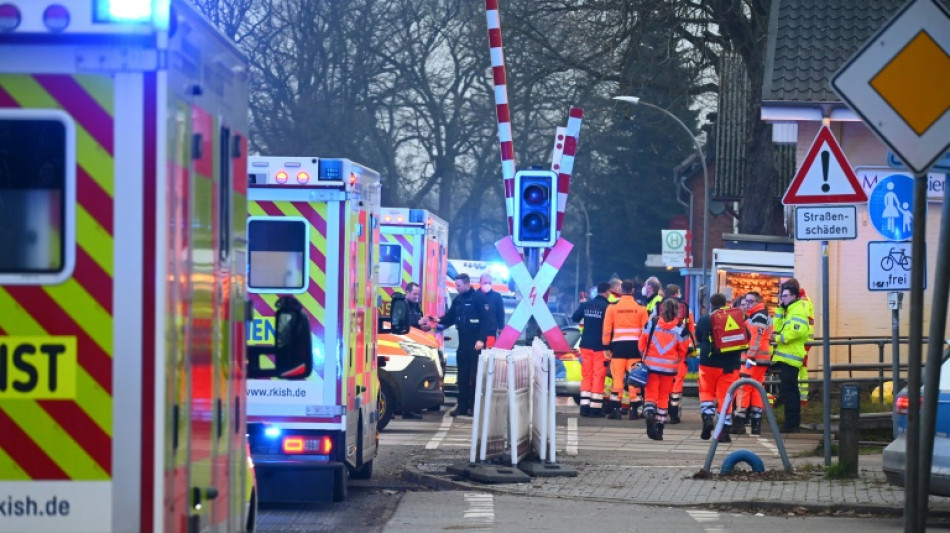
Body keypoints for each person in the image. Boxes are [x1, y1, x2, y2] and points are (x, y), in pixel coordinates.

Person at [436, 274, 490, 417]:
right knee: (462, 376)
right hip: (463, 343)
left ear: (467, 284)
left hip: (475, 344)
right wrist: (438, 321)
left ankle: (474, 406)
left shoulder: (478, 298)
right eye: (456, 285)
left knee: (474, 376)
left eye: (459, 285)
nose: (457, 288)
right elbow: (450, 317)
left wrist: (481, 340)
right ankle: (462, 406)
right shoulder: (458, 300)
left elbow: (486, 321)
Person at [639, 298, 691, 441]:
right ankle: (660, 428)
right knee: (663, 397)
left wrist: (644, 354)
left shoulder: (652, 323)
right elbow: (683, 350)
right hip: (669, 369)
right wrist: (677, 360)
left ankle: (649, 413)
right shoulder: (681, 328)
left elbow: (642, 342)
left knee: (650, 395)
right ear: (677, 310)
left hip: (651, 366)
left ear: (662, 309)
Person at [695, 293, 744, 442]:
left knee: (706, 392)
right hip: (730, 365)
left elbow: (698, 337)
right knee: (726, 397)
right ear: (726, 303)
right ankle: (724, 431)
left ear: (711, 305)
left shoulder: (704, 320)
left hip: (708, 364)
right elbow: (745, 336)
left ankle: (708, 417)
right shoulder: (736, 319)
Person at [601, 279, 649, 420]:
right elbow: (645, 331)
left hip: (618, 348)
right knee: (635, 379)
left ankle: (616, 410)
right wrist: (644, 349)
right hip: (635, 348)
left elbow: (607, 329)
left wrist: (606, 347)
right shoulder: (641, 309)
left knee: (617, 378)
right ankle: (634, 411)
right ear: (633, 290)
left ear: (621, 290)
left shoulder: (612, 308)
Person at [772, 279, 810, 433]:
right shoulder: (789, 310)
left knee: (791, 392)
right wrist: (780, 309)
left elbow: (798, 330)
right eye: (782, 296)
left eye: (786, 296)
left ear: (794, 296)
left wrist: (780, 338)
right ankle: (790, 424)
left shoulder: (798, 310)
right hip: (786, 357)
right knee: (788, 391)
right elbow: (777, 326)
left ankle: (791, 424)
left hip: (792, 357)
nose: (783, 299)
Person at [733, 291, 773, 435]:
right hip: (761, 359)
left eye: (750, 301)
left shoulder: (758, 316)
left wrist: (750, 357)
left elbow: (756, 339)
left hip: (753, 359)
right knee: (757, 389)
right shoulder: (762, 314)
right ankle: (756, 423)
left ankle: (739, 420)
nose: (747, 304)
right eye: (747, 301)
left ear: (758, 301)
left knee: (744, 388)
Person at [571, 281, 611, 417]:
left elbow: (574, 318)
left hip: (585, 345)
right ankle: (595, 408)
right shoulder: (607, 307)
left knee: (586, 376)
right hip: (600, 347)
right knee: (598, 376)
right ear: (607, 292)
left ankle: (584, 407)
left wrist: (581, 305)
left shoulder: (586, 305)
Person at [400, 282, 433, 419]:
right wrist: (418, 322)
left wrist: (424, 327)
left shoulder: (416, 306)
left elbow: (418, 323)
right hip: (404, 346)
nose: (416, 296)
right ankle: (406, 410)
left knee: (415, 378)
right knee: (407, 378)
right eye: (414, 294)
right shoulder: (402, 305)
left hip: (415, 346)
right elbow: (401, 321)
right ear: (407, 292)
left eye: (418, 294)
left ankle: (413, 408)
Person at [664, 284, 695, 424]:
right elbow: (691, 330)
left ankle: (662, 412)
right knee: (677, 383)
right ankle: (674, 414)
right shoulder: (686, 309)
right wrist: (692, 348)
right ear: (677, 293)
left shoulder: (660, 307)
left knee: (663, 383)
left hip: (661, 351)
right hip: (680, 351)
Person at [478, 272, 506, 344]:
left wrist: (501, 327)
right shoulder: (475, 295)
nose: (487, 285)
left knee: (489, 352)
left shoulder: (497, 296)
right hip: (477, 331)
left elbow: (500, 313)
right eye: (485, 283)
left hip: (491, 331)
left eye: (489, 283)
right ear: (480, 283)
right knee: (476, 352)